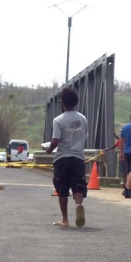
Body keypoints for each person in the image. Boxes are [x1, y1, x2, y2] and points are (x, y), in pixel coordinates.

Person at [45, 86, 88, 228]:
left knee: (62, 188)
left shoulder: (58, 120)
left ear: (62, 103)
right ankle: (79, 205)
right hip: (78, 158)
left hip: (62, 158)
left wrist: (49, 150)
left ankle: (65, 219)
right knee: (78, 186)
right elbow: (84, 136)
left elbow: (56, 140)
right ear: (76, 102)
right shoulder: (83, 119)